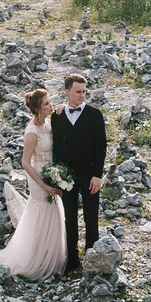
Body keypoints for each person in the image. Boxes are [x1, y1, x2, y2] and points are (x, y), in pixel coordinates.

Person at [0, 86, 68, 279]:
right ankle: (36, 259)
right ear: (38, 109)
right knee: (41, 214)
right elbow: (25, 163)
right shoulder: (32, 131)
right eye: (47, 103)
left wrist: (60, 110)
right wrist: (44, 185)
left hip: (53, 173)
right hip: (39, 178)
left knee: (55, 213)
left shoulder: (49, 123)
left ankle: (52, 256)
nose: (51, 105)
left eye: (50, 101)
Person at [51, 72, 106, 273]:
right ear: (67, 92)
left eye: (84, 91)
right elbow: (55, 147)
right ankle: (72, 259)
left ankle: (92, 257)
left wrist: (98, 175)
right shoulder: (56, 117)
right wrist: (57, 176)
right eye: (78, 91)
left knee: (91, 217)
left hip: (90, 176)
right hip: (67, 177)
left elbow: (102, 147)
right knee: (69, 218)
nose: (82, 95)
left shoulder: (94, 115)